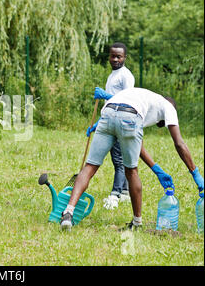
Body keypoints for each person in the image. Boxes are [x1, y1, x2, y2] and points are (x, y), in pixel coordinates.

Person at [60, 87, 204, 231]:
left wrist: (156, 169)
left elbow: (138, 147)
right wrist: (195, 173)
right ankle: (137, 223)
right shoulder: (169, 107)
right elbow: (179, 143)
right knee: (131, 171)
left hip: (108, 111)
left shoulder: (145, 98)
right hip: (129, 116)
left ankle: (68, 212)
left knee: (90, 167)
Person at [87, 42, 134, 209]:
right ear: (109, 57)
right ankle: (126, 192)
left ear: (124, 58)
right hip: (110, 119)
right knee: (121, 160)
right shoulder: (112, 75)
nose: (115, 59)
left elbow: (127, 99)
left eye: (119, 56)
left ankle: (115, 195)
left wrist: (106, 95)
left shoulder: (125, 75)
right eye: (113, 56)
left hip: (121, 121)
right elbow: (109, 104)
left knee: (119, 160)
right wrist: (99, 123)